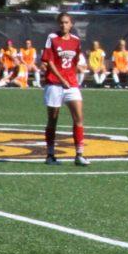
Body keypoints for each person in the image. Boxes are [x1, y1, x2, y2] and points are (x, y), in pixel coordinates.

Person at [40, 13, 89, 167]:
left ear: (71, 24)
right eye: (61, 22)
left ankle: (79, 155)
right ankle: (50, 155)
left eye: (66, 22)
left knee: (79, 118)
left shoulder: (76, 41)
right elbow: (49, 61)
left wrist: (74, 73)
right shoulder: (52, 38)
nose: (63, 25)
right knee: (53, 120)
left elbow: (74, 61)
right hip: (54, 84)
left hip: (71, 85)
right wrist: (62, 79)